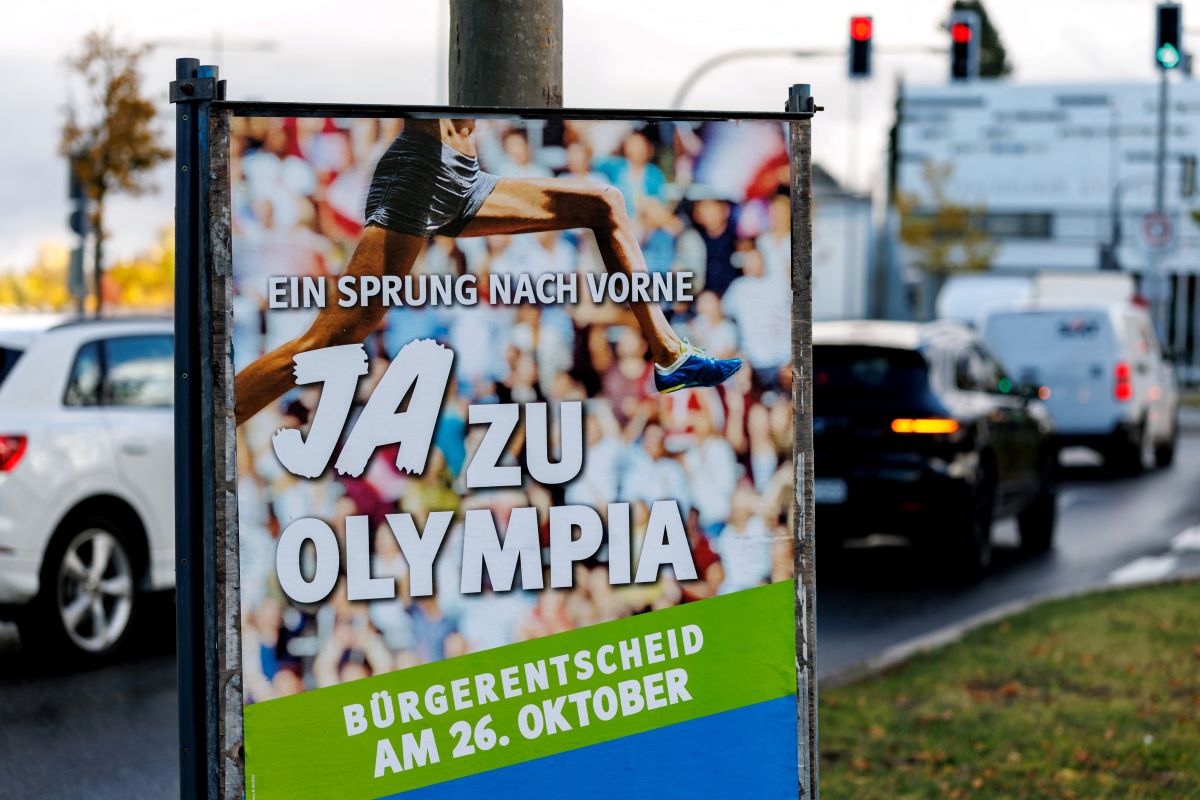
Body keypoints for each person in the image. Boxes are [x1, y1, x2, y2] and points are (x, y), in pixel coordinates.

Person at [234, 118, 741, 424]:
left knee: (604, 203)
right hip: (421, 171)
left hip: (466, 179)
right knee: (331, 342)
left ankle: (670, 355)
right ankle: (220, 417)